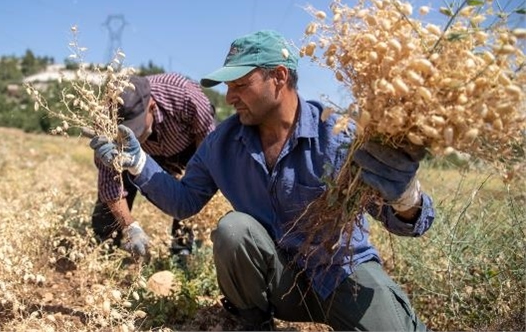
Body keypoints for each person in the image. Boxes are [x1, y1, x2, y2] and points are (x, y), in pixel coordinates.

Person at [90, 30, 436, 331]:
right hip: (277, 283)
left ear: (279, 78)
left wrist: (405, 198)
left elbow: (413, 224)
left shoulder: (339, 136)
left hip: (342, 275)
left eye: (241, 84)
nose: (228, 98)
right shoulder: (221, 144)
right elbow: (184, 201)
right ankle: (253, 321)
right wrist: (138, 163)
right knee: (235, 229)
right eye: (228, 87)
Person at [91, 73, 216, 258]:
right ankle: (104, 249)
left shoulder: (185, 95)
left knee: (191, 194)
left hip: (188, 148)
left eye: (136, 130)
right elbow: (110, 186)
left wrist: (195, 173)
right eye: (124, 134)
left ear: (152, 107)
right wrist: (131, 226)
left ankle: (181, 250)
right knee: (107, 209)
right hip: (138, 155)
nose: (131, 137)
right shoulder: (108, 126)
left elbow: (208, 143)